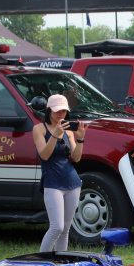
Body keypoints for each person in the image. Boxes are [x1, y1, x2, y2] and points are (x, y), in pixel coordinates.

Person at [33, 94, 87, 252]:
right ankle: (42, 261)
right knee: (57, 227)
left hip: (72, 182)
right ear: (49, 110)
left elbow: (76, 158)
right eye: (57, 111)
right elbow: (44, 155)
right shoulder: (39, 129)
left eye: (64, 111)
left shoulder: (68, 131)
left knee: (65, 230)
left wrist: (81, 140)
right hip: (52, 183)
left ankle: (61, 262)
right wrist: (55, 135)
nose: (61, 114)